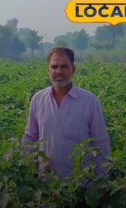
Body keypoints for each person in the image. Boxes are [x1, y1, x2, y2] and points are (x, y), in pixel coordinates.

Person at [22, 47, 110, 179]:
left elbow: (101, 143)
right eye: (54, 66)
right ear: (48, 70)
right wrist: (29, 171)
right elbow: (30, 138)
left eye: (64, 66)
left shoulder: (89, 101)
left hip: (80, 184)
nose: (58, 71)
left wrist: (101, 180)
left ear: (73, 69)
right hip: (46, 183)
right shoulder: (38, 99)